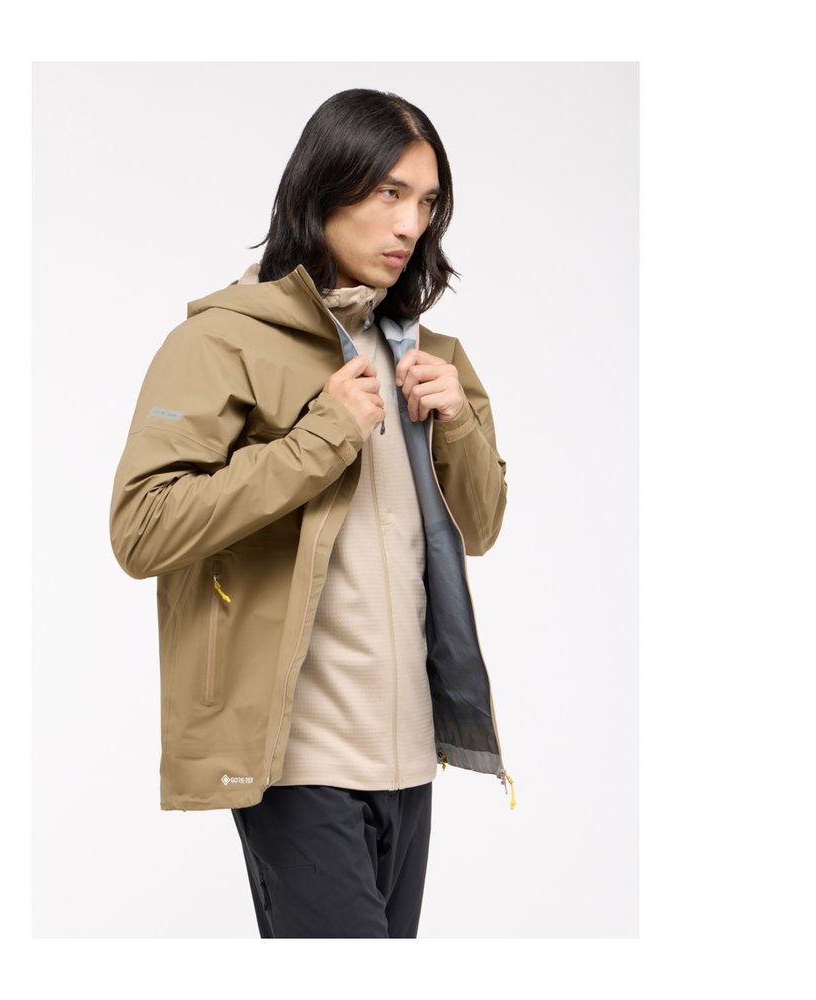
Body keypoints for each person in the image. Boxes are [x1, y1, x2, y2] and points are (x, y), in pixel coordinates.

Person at [109, 88, 515, 938]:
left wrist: (459, 423)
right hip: (296, 762)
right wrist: (323, 434)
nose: (410, 225)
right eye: (389, 193)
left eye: (427, 202)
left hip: (410, 762)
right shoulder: (221, 341)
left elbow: (480, 528)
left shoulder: (429, 357)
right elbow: (143, 526)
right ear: (323, 187)